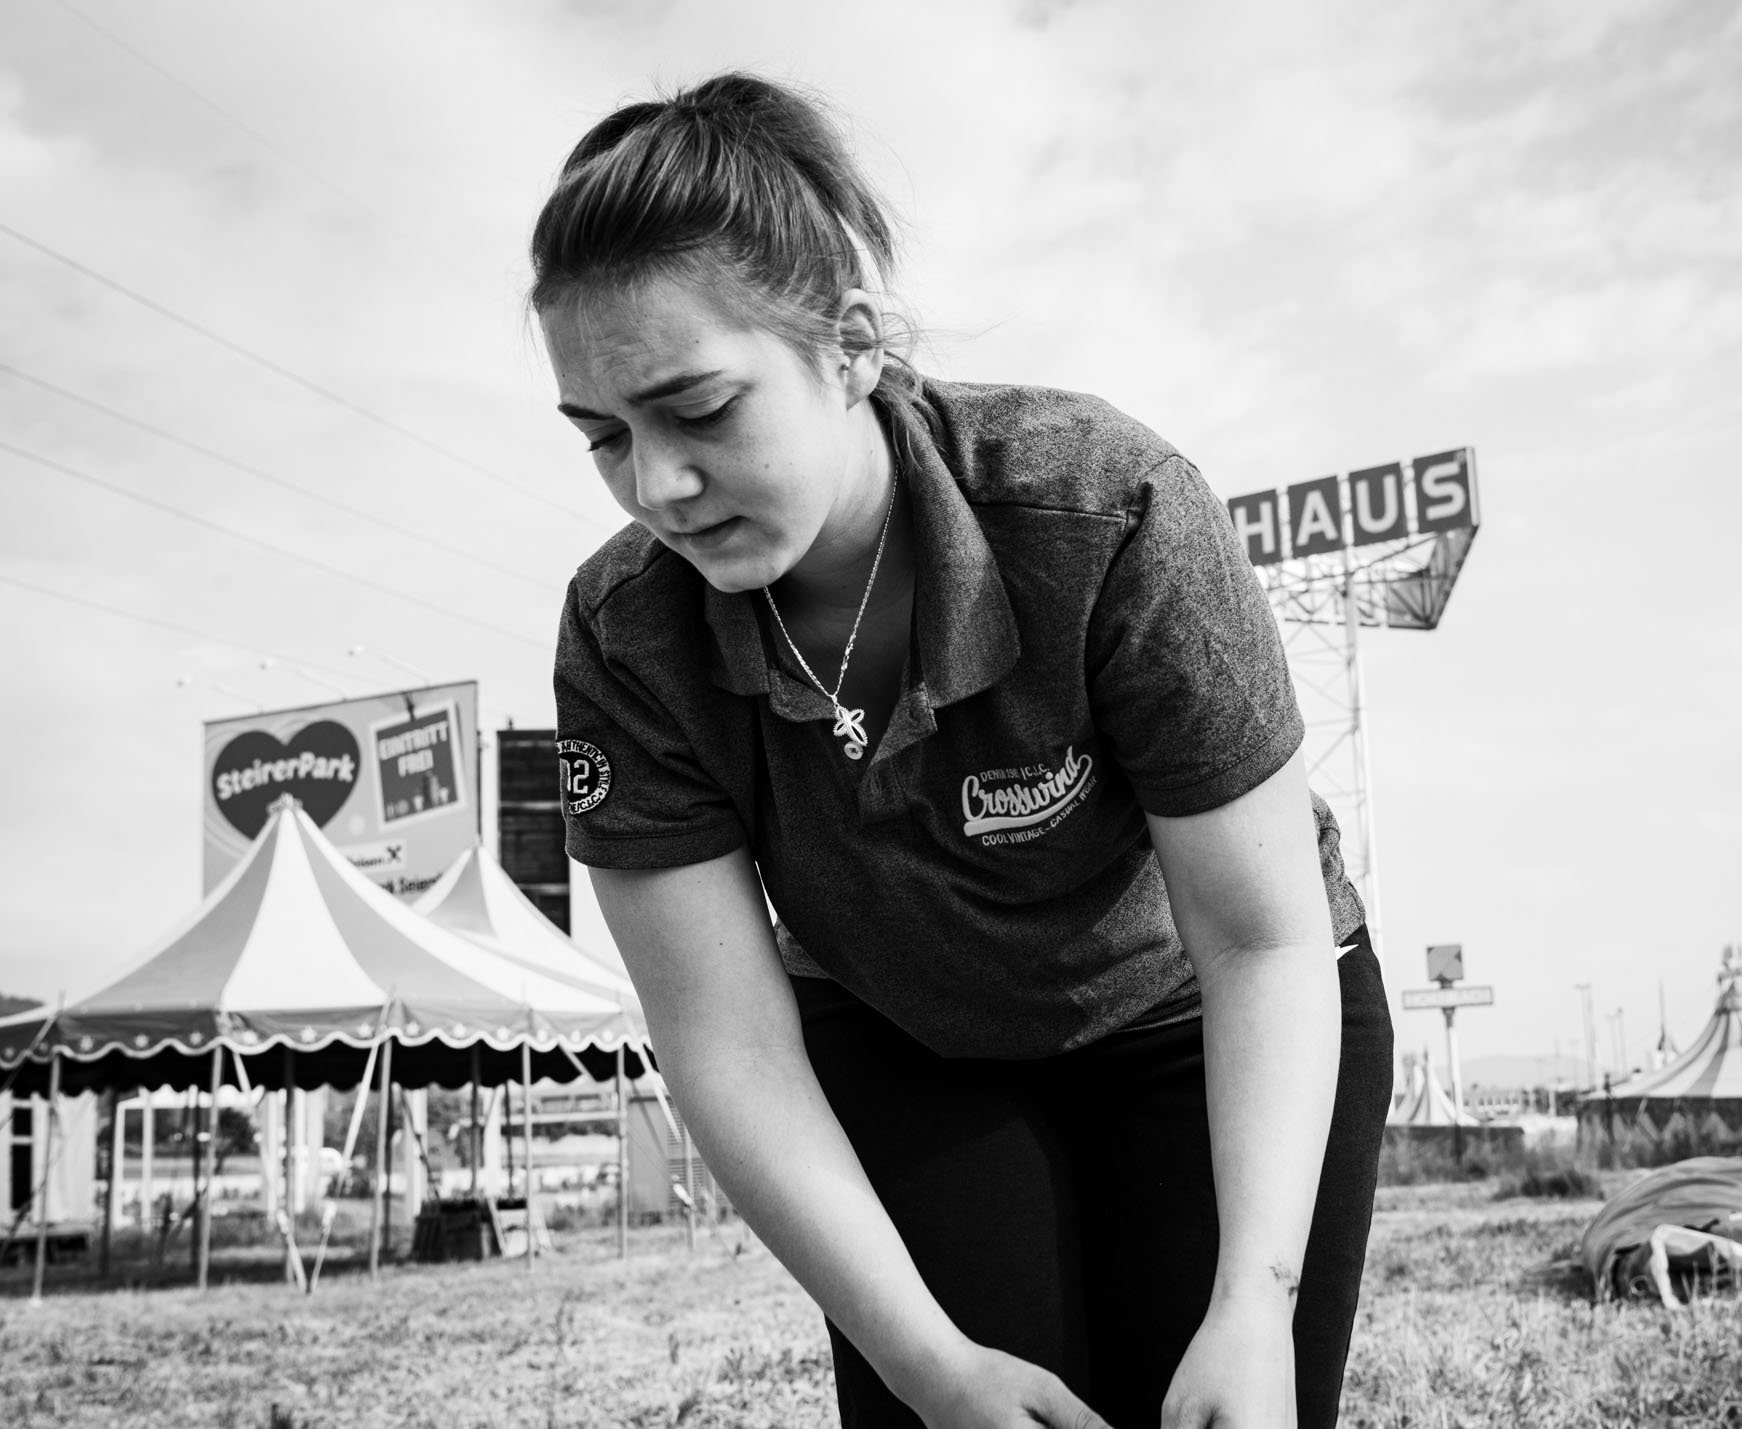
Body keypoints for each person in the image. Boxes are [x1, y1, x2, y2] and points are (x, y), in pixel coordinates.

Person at [535, 73, 1394, 1428]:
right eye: (604, 437)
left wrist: (1253, 1303)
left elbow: (1261, 941)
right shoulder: (624, 636)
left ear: (849, 345)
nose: (658, 486)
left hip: (1200, 1010)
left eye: (700, 410)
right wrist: (926, 1364)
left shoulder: (1109, 510)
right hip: (908, 1040)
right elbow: (727, 1043)